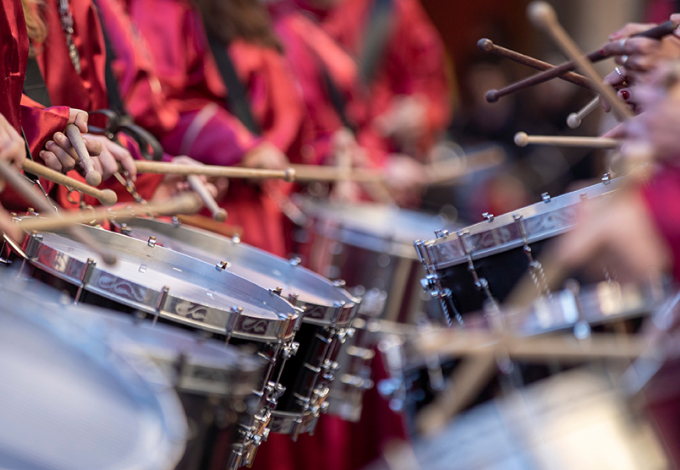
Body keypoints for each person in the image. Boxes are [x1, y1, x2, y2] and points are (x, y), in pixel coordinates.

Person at [125, 0, 297, 255]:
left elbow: (284, 109)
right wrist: (240, 144)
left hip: (252, 201)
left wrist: (268, 149)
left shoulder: (254, 15)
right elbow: (152, 102)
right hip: (200, 196)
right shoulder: (163, 7)